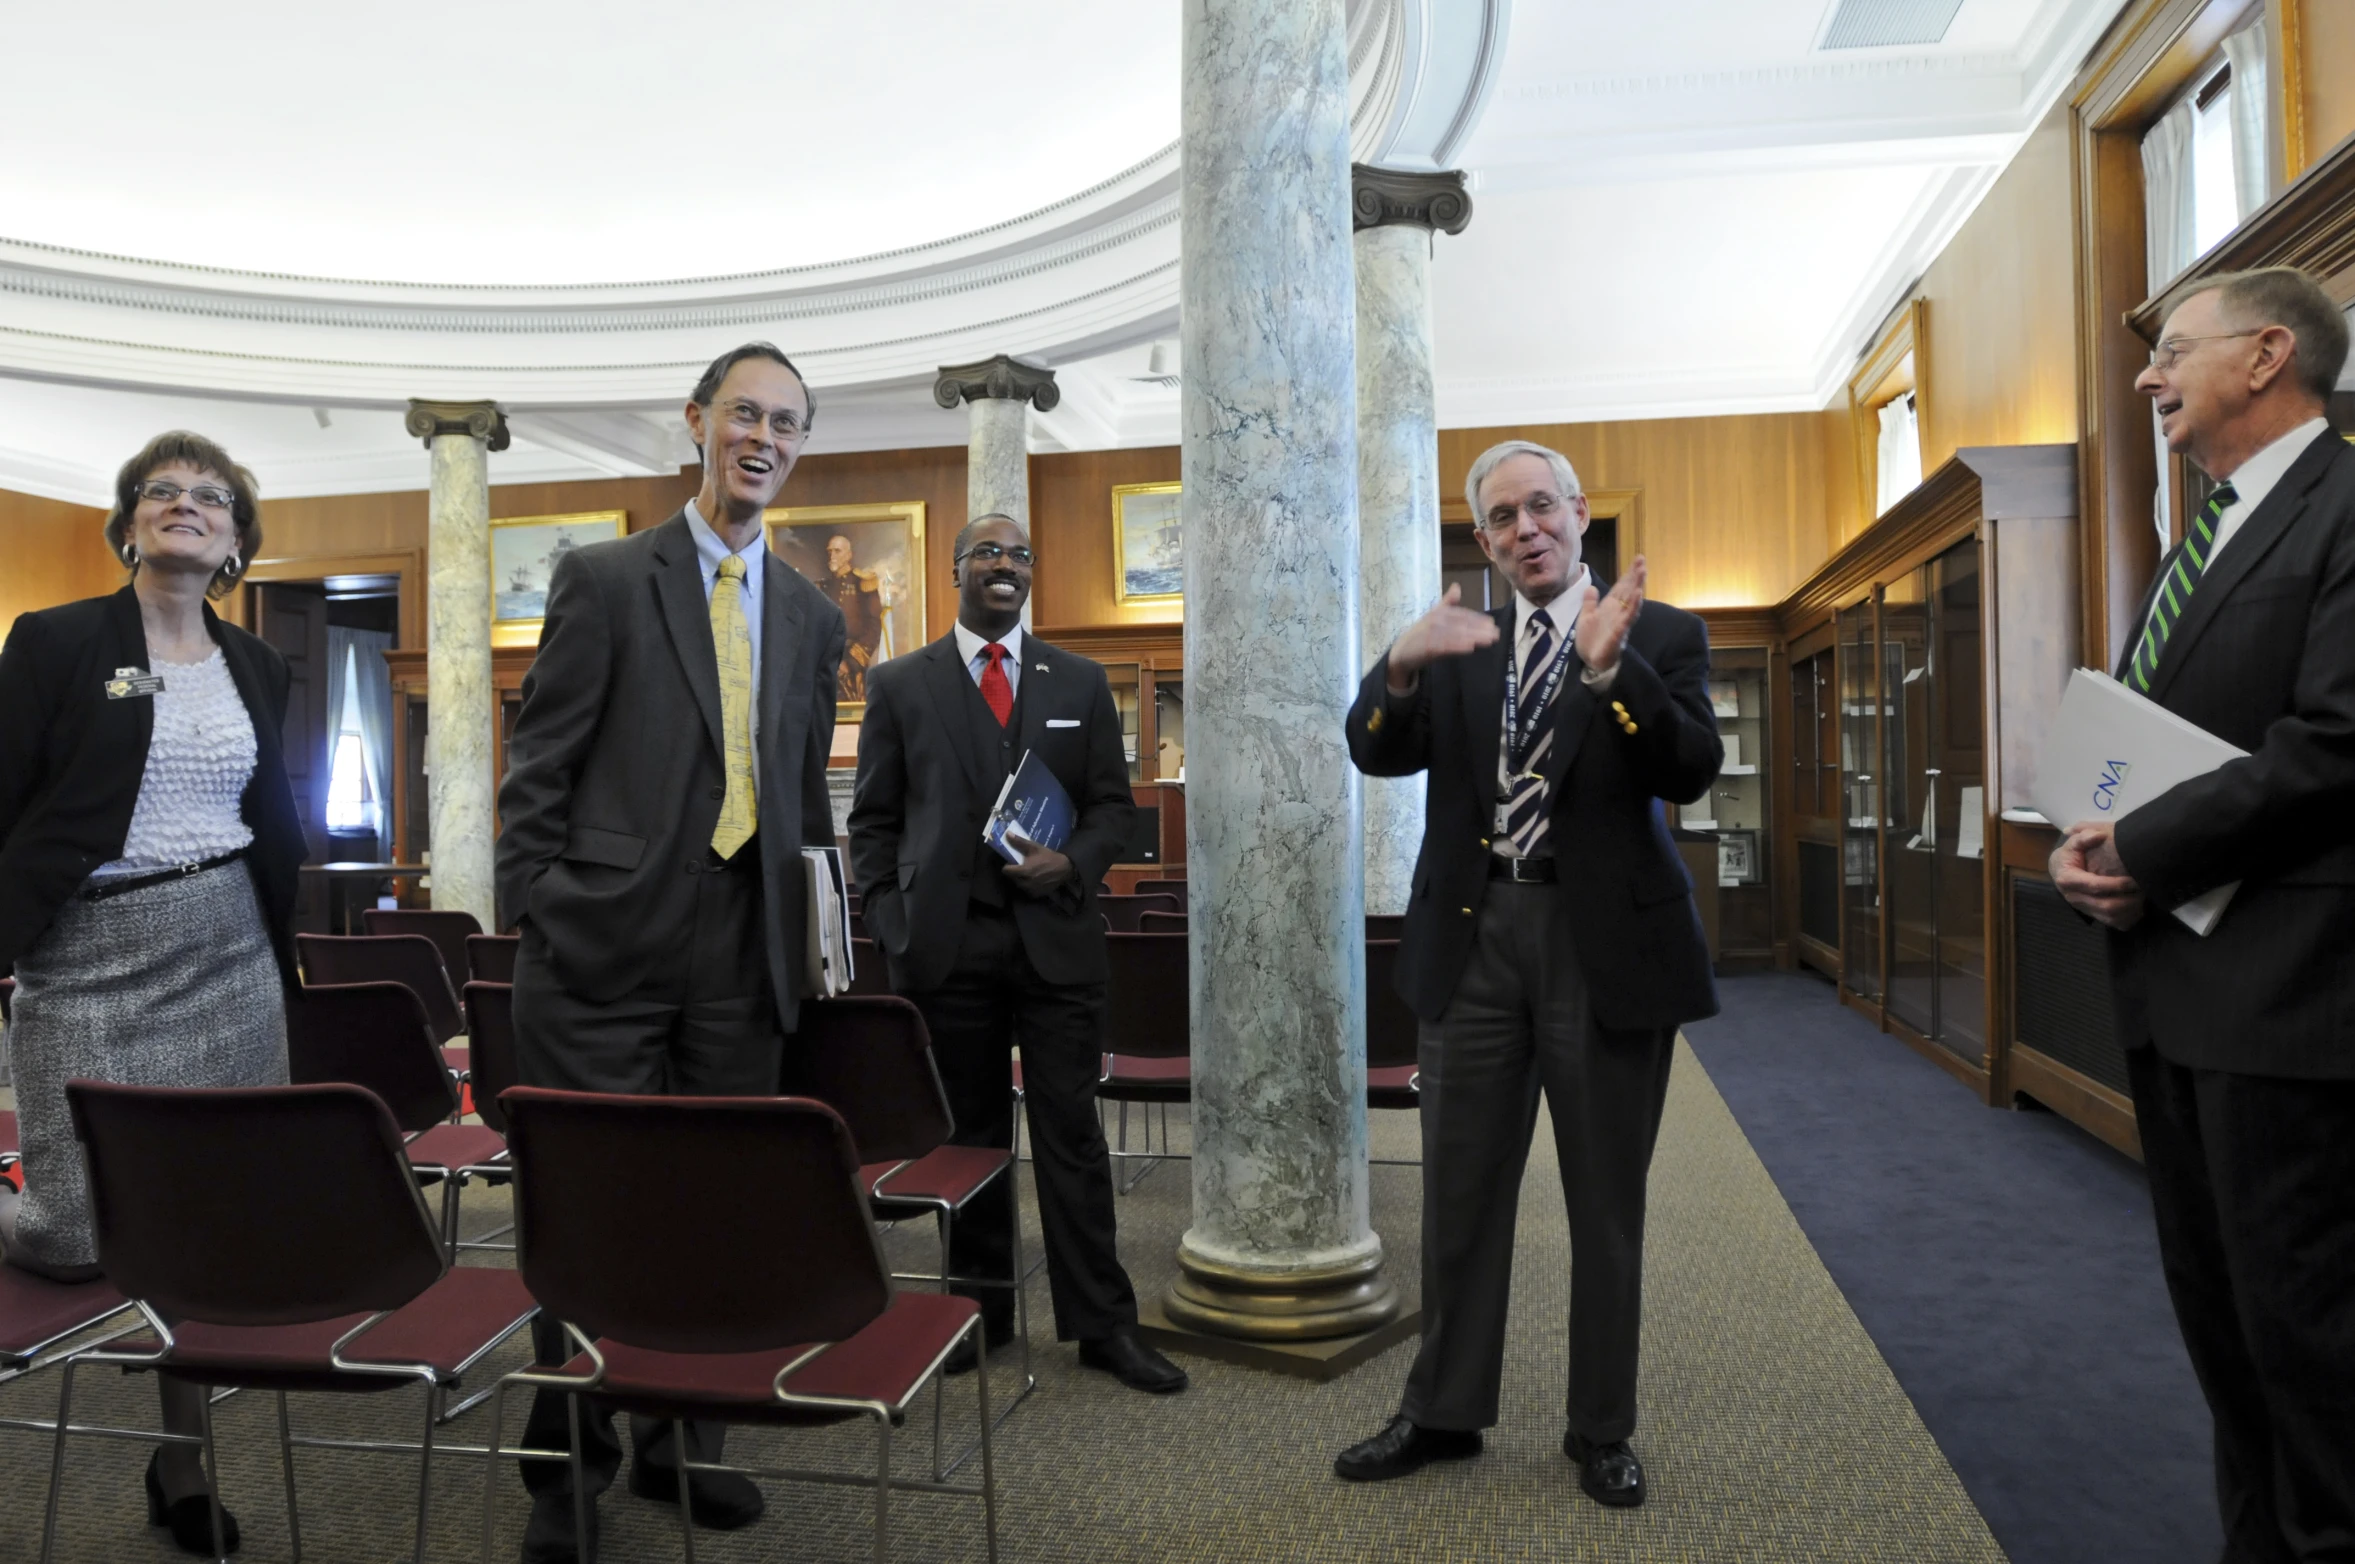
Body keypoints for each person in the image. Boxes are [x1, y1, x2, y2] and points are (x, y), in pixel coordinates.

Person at [494, 341, 847, 1563]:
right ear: (697, 421)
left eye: (787, 424)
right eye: (744, 413)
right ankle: (566, 1465)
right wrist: (536, 907)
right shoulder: (602, 577)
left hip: (741, 955)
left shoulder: (812, 610)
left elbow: (801, 793)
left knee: (711, 1212)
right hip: (598, 948)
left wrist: (815, 945)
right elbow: (537, 768)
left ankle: (681, 1442)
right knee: (589, 1216)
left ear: (801, 446)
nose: (764, 437)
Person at [1334, 440, 1721, 1506]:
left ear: (1580, 512)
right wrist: (1400, 666)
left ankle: (1601, 1426)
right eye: (1500, 518)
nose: (1524, 530)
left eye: (1540, 507)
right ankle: (1443, 1408)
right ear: (1487, 540)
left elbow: (1691, 763)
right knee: (1459, 1196)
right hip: (1474, 941)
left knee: (1604, 1204)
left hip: (1604, 949)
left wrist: (1609, 668)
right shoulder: (1462, 644)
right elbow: (1373, 747)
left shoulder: (1664, 632)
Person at [2049, 266, 2355, 1562]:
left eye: (2170, 349)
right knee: (2225, 1334)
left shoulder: (2341, 505)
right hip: (2176, 996)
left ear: (2264, 355)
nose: (2144, 375)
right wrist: (2088, 851)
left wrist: (2145, 844)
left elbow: (2337, 738)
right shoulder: (2207, 529)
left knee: (2310, 1348)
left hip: (2292, 1001)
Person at [0, 431, 303, 1556]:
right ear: (129, 522)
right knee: (76, 1228)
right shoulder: (57, 641)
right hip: (85, 951)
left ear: (235, 540)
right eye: (162, 493)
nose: (186, 506)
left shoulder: (258, 664)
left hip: (227, 949)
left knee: (206, 1228)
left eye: (212, 498)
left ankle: (182, 1465)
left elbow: (270, 814)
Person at [848, 512, 1187, 1395]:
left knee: (1071, 1136)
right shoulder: (899, 684)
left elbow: (1114, 809)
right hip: (945, 950)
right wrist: (890, 920)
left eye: (1021, 554)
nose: (1006, 564)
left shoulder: (1076, 680)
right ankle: (981, 1313)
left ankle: (1101, 1326)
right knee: (970, 1139)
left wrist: (1071, 860)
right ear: (956, 570)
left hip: (1055, 945)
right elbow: (873, 824)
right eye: (988, 552)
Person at [820, 531, 885, 700]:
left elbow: (874, 626)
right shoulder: (822, 587)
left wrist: (850, 663)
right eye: (830, 551)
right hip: (825, 667)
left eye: (837, 551)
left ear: (849, 555)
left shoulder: (863, 582)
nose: (832, 555)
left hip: (853, 667)